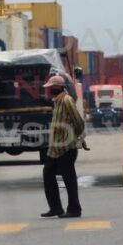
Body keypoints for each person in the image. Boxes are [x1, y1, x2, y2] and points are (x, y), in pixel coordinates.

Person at [41, 74, 87, 219]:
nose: (47, 91)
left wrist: (77, 137)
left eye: (49, 88)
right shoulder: (57, 102)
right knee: (48, 174)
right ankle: (56, 208)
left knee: (69, 179)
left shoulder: (67, 101)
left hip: (66, 148)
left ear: (56, 88)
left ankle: (74, 209)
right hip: (55, 149)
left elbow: (78, 122)